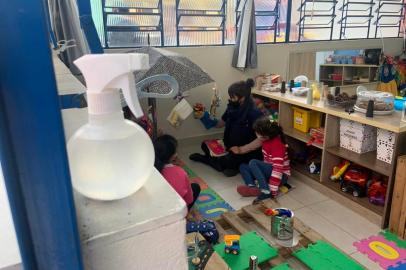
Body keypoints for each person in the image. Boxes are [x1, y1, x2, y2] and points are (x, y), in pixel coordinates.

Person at [189, 79, 263, 176]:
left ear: (243, 97)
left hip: (246, 151)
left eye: (233, 97)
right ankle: (223, 163)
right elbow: (220, 124)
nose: (231, 99)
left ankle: (209, 160)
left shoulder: (254, 113)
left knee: (228, 162)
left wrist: (241, 149)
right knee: (204, 144)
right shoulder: (232, 108)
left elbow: (261, 139)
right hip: (230, 146)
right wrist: (204, 116)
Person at [234, 116, 291, 203]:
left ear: (266, 135)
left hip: (281, 175)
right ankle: (252, 187)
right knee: (243, 166)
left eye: (258, 133)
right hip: (269, 171)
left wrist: (273, 190)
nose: (256, 134)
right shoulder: (265, 140)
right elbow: (266, 161)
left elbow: (278, 169)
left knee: (253, 162)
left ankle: (265, 190)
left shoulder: (277, 145)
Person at [154, 134, 201, 209]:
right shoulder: (180, 172)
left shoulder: (149, 170)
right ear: (173, 156)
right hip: (176, 213)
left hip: (156, 211)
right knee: (196, 187)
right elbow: (189, 200)